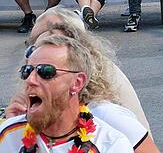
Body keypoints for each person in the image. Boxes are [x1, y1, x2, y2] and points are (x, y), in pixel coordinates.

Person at [0, 34, 134, 152]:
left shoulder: (111, 145)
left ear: (77, 83)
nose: (30, 80)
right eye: (27, 71)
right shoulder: (7, 135)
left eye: (45, 71)